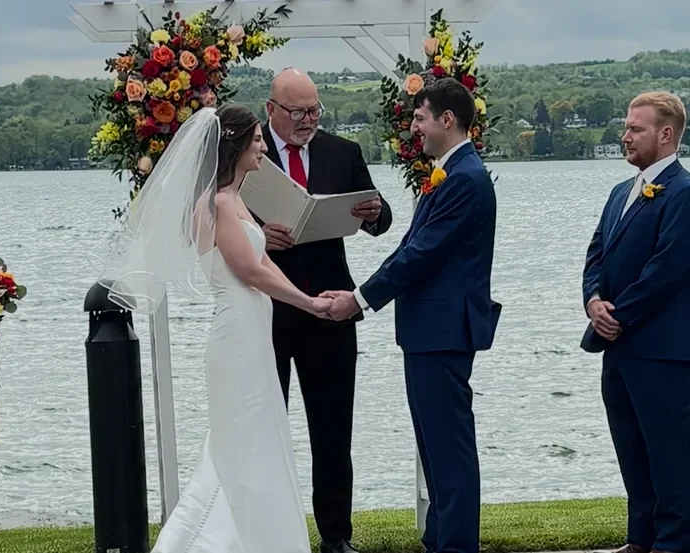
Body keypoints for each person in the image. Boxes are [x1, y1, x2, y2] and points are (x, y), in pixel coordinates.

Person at [98, 105, 333, 553]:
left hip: (252, 333)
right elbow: (249, 272)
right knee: (239, 443)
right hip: (236, 338)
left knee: (259, 438)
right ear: (238, 145)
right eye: (258, 140)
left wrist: (309, 300)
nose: (264, 148)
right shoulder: (220, 203)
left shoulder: (234, 198)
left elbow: (264, 263)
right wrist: (306, 304)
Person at [324, 77, 501, 553]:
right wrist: (364, 293)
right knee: (434, 443)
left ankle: (457, 544)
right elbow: (411, 246)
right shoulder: (449, 172)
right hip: (428, 329)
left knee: (449, 445)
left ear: (447, 120)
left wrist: (359, 299)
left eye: (420, 118)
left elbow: (422, 253)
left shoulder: (464, 177)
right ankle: (439, 538)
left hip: (444, 330)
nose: (415, 127)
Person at [257, 68, 392, 553]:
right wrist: (259, 234)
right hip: (266, 311)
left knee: (334, 432)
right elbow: (215, 219)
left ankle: (337, 538)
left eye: (314, 110)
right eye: (297, 112)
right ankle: (271, 535)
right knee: (265, 427)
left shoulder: (342, 152)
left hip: (331, 309)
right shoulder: (249, 155)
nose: (308, 120)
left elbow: (380, 216)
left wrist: (376, 213)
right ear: (271, 110)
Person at [581, 91, 690, 553]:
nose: (625, 136)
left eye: (635, 129)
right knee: (631, 447)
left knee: (669, 453)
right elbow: (595, 253)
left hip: (662, 349)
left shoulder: (683, 194)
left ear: (666, 135)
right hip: (619, 347)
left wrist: (618, 316)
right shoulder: (618, 193)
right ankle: (640, 538)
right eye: (626, 127)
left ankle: (675, 541)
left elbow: (666, 270)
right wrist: (593, 302)